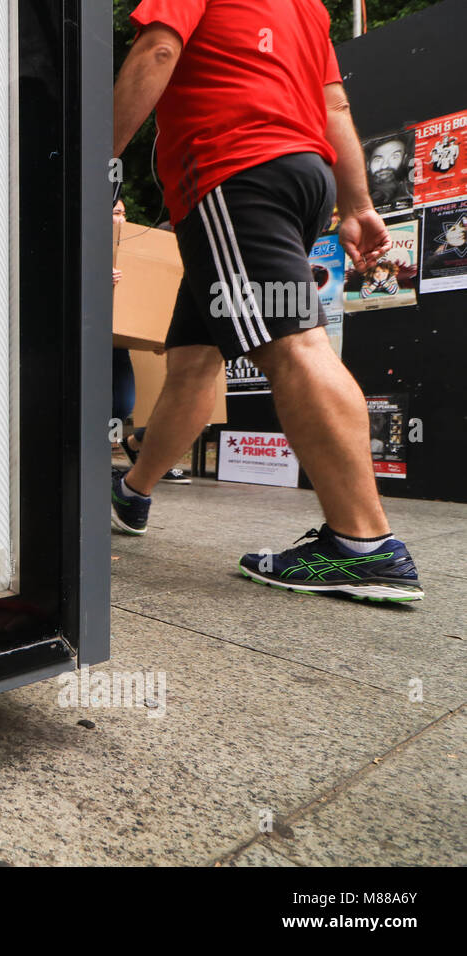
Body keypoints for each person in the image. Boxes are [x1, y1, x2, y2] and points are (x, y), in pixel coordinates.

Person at [110, 0, 423, 602]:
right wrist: (357, 205)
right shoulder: (305, 6)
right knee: (197, 353)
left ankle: (364, 546)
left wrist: (92, 160)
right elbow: (334, 106)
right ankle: (135, 492)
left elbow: (157, 49)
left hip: (235, 170)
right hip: (300, 177)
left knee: (293, 346)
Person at [112, 201, 190, 482]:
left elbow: (149, 298)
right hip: (86, 340)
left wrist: (158, 335)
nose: (121, 218)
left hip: (116, 343)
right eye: (115, 212)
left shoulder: (139, 249)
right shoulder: (87, 242)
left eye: (123, 213)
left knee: (121, 404)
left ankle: (136, 452)